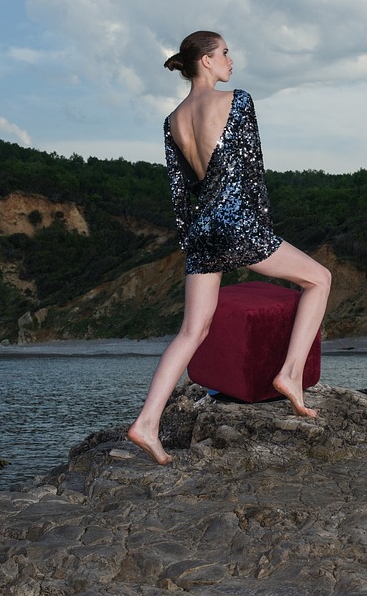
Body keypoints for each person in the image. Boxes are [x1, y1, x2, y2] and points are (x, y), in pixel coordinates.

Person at [127, 30, 332, 465]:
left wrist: (191, 238)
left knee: (192, 331)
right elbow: (251, 168)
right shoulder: (237, 101)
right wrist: (259, 227)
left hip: (202, 228)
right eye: (224, 53)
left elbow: (180, 188)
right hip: (238, 221)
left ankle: (146, 422)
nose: (230, 60)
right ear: (205, 60)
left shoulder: (173, 120)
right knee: (320, 278)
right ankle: (290, 375)